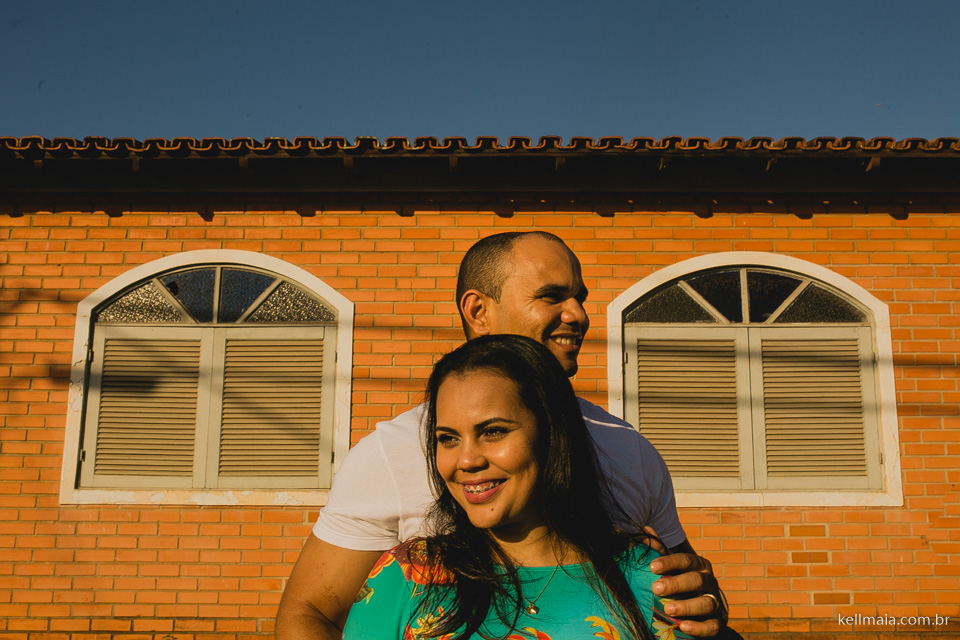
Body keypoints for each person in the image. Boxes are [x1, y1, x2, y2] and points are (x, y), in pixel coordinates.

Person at [277, 232, 727, 639]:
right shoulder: (390, 455)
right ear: (478, 311)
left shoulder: (627, 447)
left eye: (579, 298)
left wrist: (704, 607)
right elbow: (309, 612)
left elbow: (688, 590)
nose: (578, 315)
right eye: (552, 297)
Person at [342, 334, 691, 640]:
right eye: (447, 438)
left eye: (492, 431)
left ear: (554, 434)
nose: (466, 460)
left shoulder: (648, 576)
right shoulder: (407, 575)